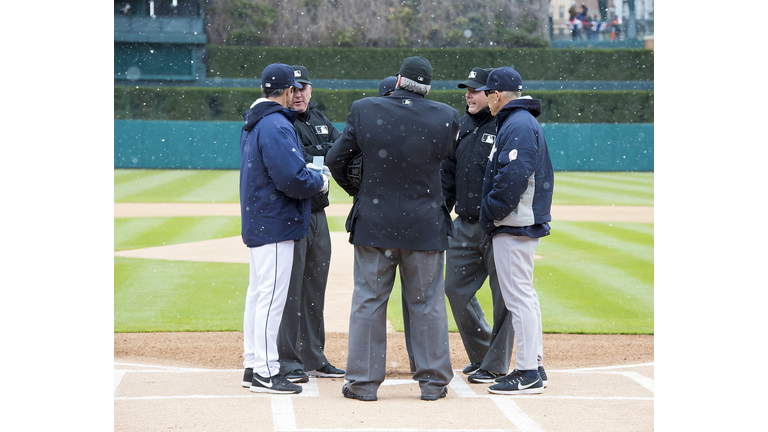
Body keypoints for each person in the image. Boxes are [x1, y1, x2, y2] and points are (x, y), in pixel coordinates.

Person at [326, 56, 460, 402]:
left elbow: (334, 160)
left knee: (368, 302)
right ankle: (433, 383)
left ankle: (362, 383)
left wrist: (361, 191)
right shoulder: (446, 116)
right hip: (425, 227)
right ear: (427, 87)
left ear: (398, 80)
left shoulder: (364, 109)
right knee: (427, 304)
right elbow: (446, 162)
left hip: (375, 223)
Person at [239, 63, 329, 395]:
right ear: (289, 91)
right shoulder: (276, 124)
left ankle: (253, 365)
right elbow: (291, 179)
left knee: (258, 295)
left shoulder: (256, 122)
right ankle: (264, 371)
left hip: (260, 219)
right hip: (275, 222)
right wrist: (318, 180)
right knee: (270, 299)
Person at [475, 66, 553, 395]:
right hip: (519, 220)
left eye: (489, 94)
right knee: (525, 295)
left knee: (518, 297)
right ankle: (534, 363)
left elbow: (513, 177)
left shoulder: (517, 123)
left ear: (496, 95)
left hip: (514, 222)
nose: (487, 100)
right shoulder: (519, 120)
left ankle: (527, 372)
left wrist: (491, 214)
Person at [442, 67, 516, 384]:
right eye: (467, 90)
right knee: (454, 289)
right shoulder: (460, 126)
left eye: (475, 90)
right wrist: (442, 212)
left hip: (498, 225)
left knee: (505, 298)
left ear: (493, 94)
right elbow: (447, 174)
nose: (468, 95)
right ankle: (484, 353)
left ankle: (497, 364)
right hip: (464, 224)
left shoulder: (506, 126)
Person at [276, 65, 346, 384]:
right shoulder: (281, 124)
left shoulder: (319, 120)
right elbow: (295, 168)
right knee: (290, 291)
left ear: (310, 89)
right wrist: (323, 157)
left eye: (304, 87)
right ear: (287, 92)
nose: (299, 93)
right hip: (293, 214)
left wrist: (322, 156)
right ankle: (287, 359)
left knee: (315, 289)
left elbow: (343, 150)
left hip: (318, 214)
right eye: (294, 88)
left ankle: (314, 357)